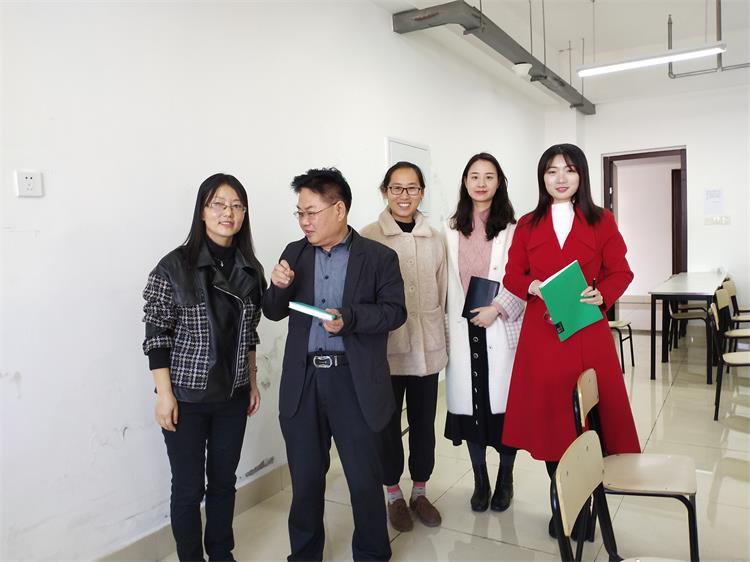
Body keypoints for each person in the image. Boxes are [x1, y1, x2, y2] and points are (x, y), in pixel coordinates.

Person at [262, 168, 406, 562]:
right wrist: (278, 286)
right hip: (305, 380)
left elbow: (395, 312)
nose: (304, 221)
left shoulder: (378, 257)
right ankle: (305, 555)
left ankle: (372, 554)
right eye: (300, 213)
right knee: (306, 480)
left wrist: (350, 318)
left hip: (353, 380)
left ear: (339, 210)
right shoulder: (294, 253)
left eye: (311, 212)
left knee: (363, 479)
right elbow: (273, 310)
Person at [501, 143, 639, 536]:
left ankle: (588, 501)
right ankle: (565, 500)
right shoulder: (527, 223)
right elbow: (512, 275)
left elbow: (621, 271)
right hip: (542, 335)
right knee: (553, 421)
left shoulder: (602, 220)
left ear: (581, 176)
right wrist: (532, 286)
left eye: (569, 170)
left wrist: (602, 294)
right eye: (552, 171)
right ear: (542, 178)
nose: (560, 178)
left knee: (588, 418)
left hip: (586, 330)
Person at [142, 173, 266, 562]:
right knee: (188, 488)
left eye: (237, 205)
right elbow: (157, 335)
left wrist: (252, 381)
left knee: (224, 482)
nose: (228, 213)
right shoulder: (174, 266)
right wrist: (165, 395)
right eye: (219, 204)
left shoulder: (250, 269)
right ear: (202, 211)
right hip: (186, 397)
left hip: (233, 395)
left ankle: (221, 552)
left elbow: (249, 333)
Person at [360, 162, 447, 532]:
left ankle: (420, 492)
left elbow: (443, 292)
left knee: (424, 424)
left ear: (422, 193)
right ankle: (393, 494)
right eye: (396, 188)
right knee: (387, 425)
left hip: (427, 349)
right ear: (385, 192)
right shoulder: (368, 237)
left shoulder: (436, 238)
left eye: (412, 188)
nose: (404, 195)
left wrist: (443, 339)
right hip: (387, 352)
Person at [443, 153, 525, 513]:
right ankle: (480, 480)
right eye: (474, 176)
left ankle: (505, 479)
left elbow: (523, 276)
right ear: (465, 182)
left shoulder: (515, 229)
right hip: (464, 331)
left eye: (489, 176)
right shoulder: (449, 229)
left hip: (500, 326)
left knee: (504, 412)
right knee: (470, 410)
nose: (481, 183)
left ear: (499, 182)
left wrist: (498, 309)